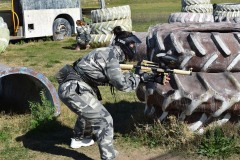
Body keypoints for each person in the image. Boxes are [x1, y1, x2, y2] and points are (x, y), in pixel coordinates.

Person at [55, 26, 170, 160]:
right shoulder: (111, 57)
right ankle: (108, 157)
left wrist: (147, 77)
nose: (134, 48)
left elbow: (120, 78)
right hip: (73, 89)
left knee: (91, 108)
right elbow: (123, 85)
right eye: (132, 44)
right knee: (104, 119)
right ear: (125, 44)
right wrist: (142, 78)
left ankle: (80, 138)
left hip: (73, 88)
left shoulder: (109, 53)